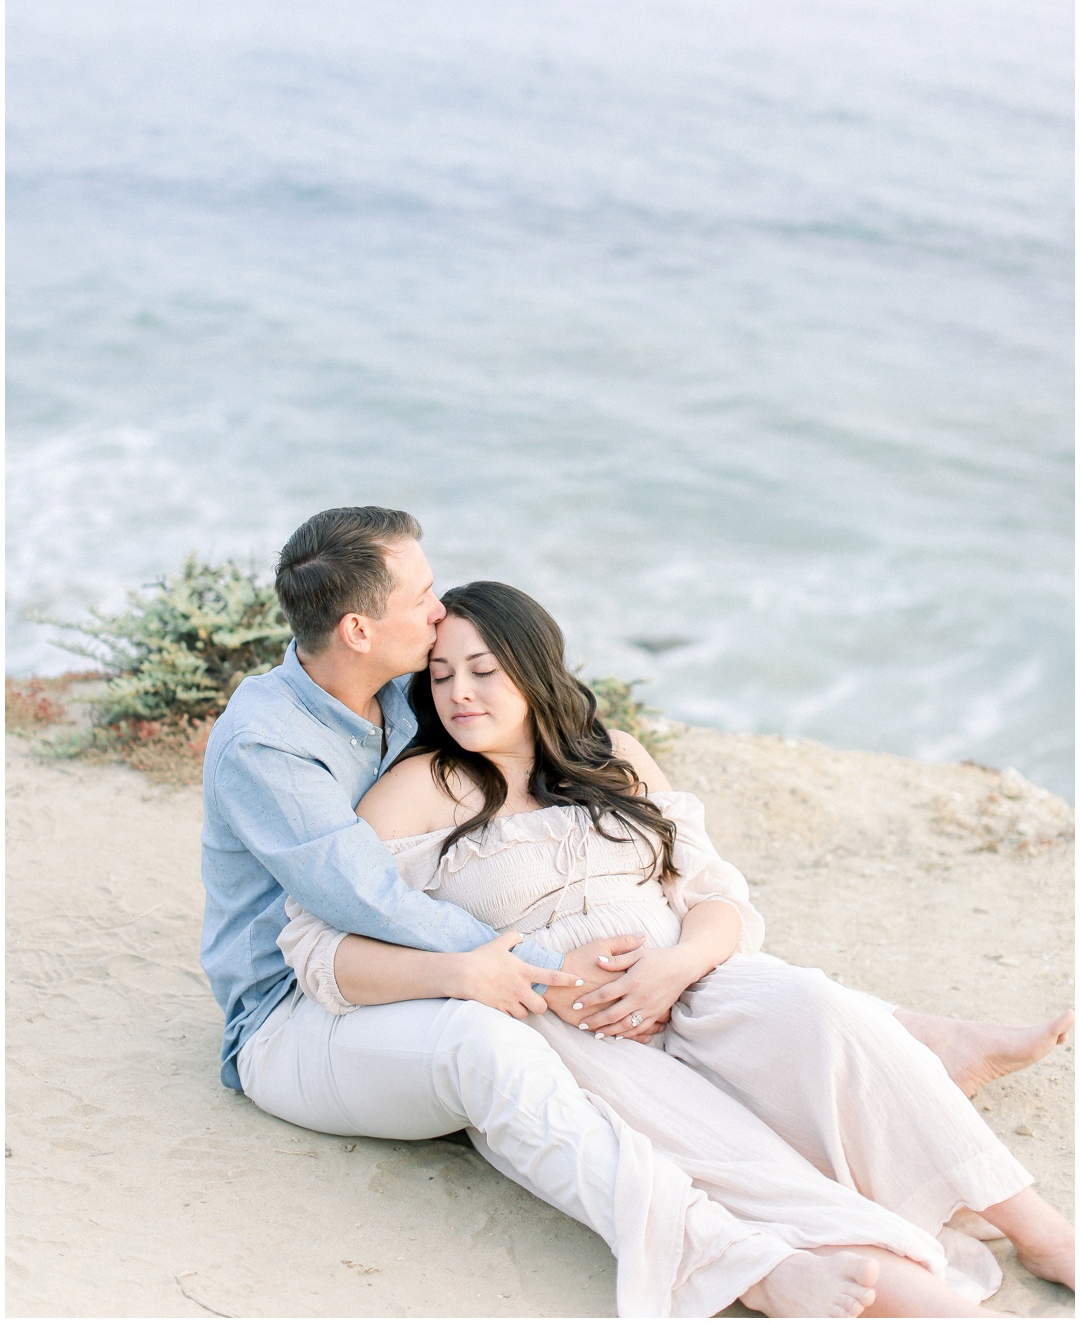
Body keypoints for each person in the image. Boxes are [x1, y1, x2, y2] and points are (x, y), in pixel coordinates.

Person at [201, 507, 1070, 1318]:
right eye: (427, 618)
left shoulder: (440, 707)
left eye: (482, 666)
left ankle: (1034, 1220)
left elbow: (715, 890)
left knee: (812, 1005)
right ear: (363, 631)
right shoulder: (292, 749)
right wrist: (522, 969)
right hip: (325, 1015)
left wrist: (675, 961)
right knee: (579, 1085)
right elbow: (354, 911)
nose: (444, 646)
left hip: (667, 976)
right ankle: (781, 1259)